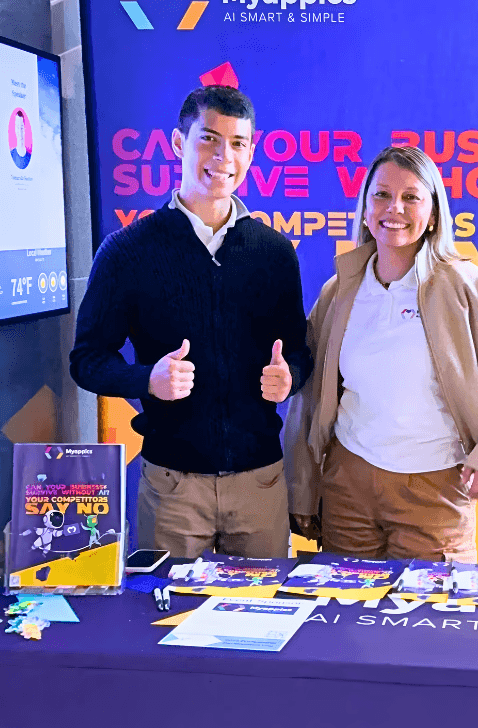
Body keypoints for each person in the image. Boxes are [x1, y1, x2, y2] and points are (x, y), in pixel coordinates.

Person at [70, 85, 312, 559]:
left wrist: (291, 377)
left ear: (251, 152)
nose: (223, 156)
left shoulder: (276, 253)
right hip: (172, 488)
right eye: (209, 138)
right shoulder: (127, 251)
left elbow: (301, 352)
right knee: (166, 624)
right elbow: (87, 359)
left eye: (238, 143)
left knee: (263, 625)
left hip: (260, 485)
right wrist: (147, 380)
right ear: (179, 144)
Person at [285, 145, 478, 562]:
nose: (393, 207)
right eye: (381, 195)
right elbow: (311, 397)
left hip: (435, 489)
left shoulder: (469, 289)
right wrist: (302, 487)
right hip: (348, 485)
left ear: (432, 215)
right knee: (346, 619)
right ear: (363, 208)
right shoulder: (339, 291)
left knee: (428, 621)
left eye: (411, 197)